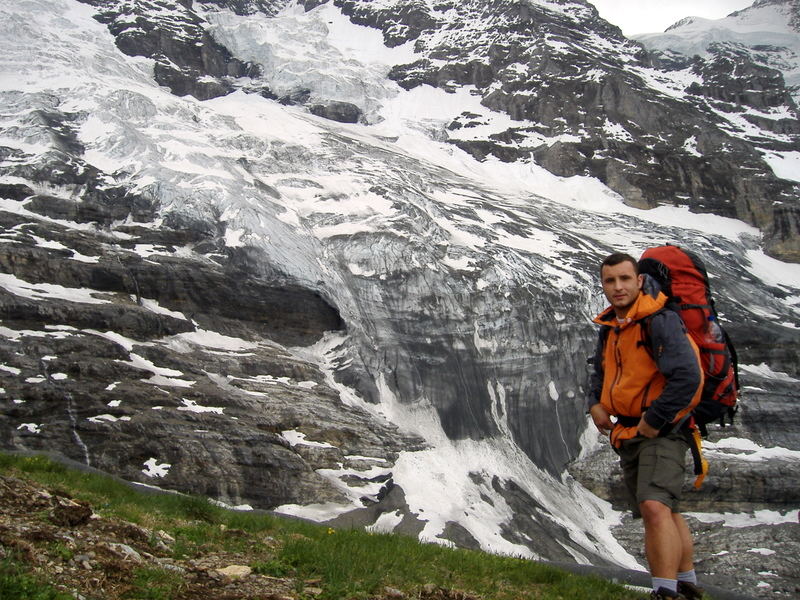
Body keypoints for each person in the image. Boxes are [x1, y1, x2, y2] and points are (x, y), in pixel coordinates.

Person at [588, 252, 706, 600]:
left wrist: (654, 420)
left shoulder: (659, 320)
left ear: (639, 281)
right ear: (603, 285)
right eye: (610, 281)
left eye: (625, 279)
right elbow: (602, 370)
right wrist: (595, 404)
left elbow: (687, 376)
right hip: (631, 431)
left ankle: (665, 592)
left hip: (661, 430)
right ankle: (686, 585)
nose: (618, 287)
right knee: (665, 510)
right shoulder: (613, 325)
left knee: (654, 507)